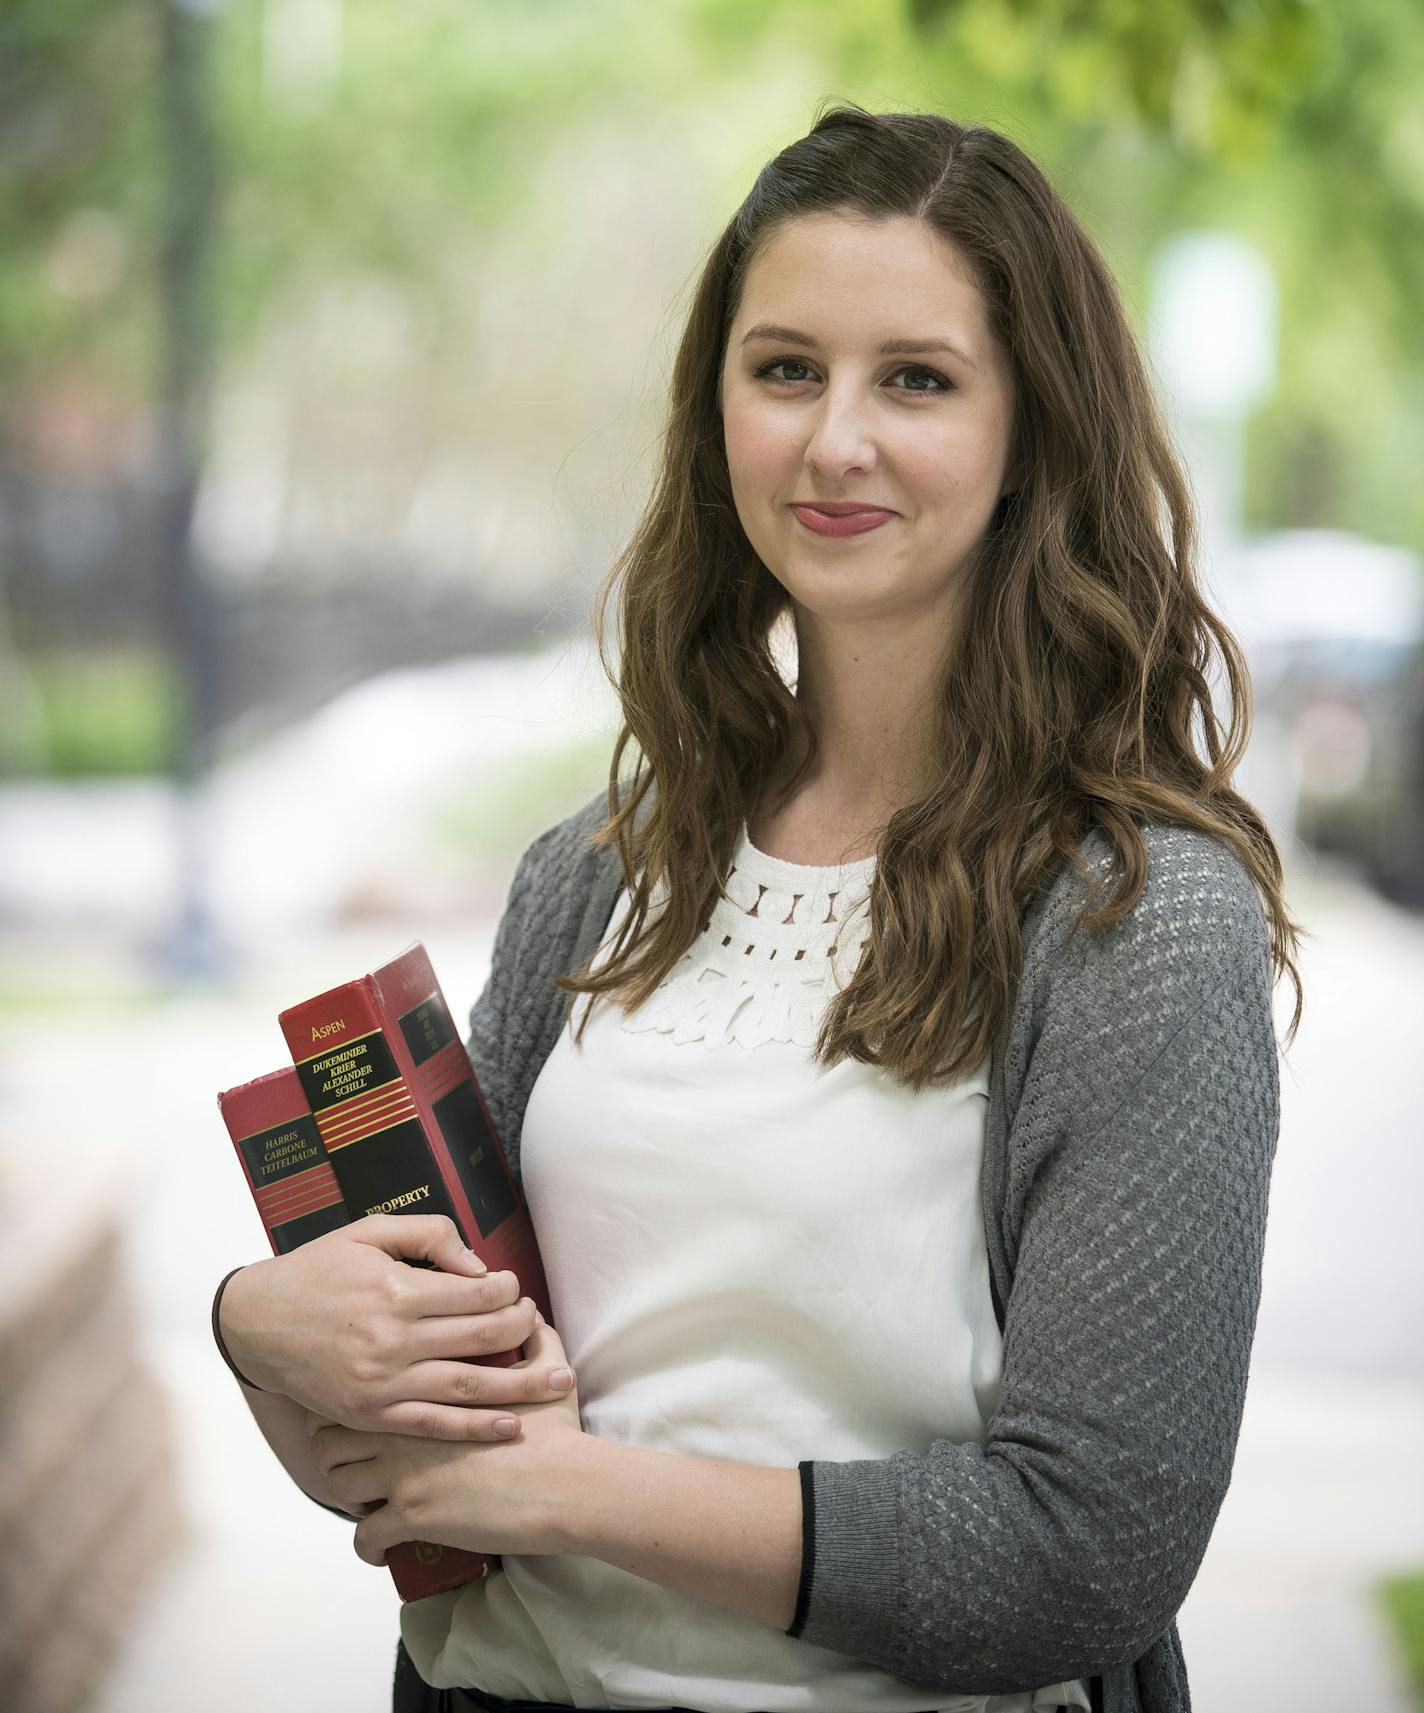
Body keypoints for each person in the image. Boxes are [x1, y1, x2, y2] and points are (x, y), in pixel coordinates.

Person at [212, 102, 1303, 1713]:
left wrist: (569, 1489)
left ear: (1034, 430)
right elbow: (422, 1467)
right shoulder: (595, 875)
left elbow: (1083, 1552)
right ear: (716, 403)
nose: (832, 440)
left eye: (915, 379)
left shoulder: (1133, 924)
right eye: (784, 368)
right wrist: (265, 1331)